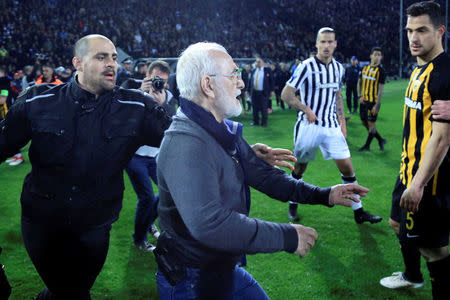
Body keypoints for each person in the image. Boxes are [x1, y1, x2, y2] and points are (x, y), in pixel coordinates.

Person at [154, 41, 370, 300]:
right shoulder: (185, 143)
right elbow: (211, 224)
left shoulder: (220, 129)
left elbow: (266, 177)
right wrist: (288, 236)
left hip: (220, 269)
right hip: (192, 280)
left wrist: (324, 195)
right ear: (208, 85)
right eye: (233, 74)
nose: (241, 83)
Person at [0, 34, 173, 299]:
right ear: (78, 63)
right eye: (101, 57)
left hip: (95, 226)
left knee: (73, 291)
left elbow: (180, 140)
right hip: (42, 223)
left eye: (114, 58)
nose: (111, 64)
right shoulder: (38, 101)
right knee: (71, 292)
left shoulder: (135, 106)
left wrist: (163, 107)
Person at [379, 2, 449, 298]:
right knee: (397, 223)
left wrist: (418, 184)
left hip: (427, 180)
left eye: (422, 30)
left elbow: (442, 138)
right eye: (409, 31)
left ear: (440, 31)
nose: (413, 38)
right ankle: (411, 275)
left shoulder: (443, 75)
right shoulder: (420, 67)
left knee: (435, 250)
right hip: (408, 169)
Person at [281, 27, 382, 224]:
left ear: (335, 44)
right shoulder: (306, 67)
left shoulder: (338, 68)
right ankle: (293, 203)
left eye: (330, 42)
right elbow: (286, 94)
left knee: (347, 169)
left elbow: (337, 96)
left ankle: (358, 211)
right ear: (317, 44)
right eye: (323, 42)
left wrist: (342, 123)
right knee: (300, 168)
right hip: (308, 126)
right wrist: (305, 109)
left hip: (331, 127)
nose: (326, 46)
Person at [126, 60, 177, 252]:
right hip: (136, 156)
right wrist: (142, 94)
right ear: (147, 77)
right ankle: (139, 238)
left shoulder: (169, 97)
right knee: (146, 197)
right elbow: (128, 118)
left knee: (169, 190)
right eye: (155, 80)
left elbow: (170, 123)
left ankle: (148, 222)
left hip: (157, 156)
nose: (159, 84)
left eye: (162, 81)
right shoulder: (135, 94)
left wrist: (162, 102)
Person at [357, 47, 387, 152]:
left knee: (371, 124)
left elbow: (380, 90)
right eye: (375, 54)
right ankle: (380, 140)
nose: (377, 57)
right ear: (371, 56)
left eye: (379, 55)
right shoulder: (364, 68)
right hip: (363, 101)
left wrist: (377, 105)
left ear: (381, 57)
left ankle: (367, 146)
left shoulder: (381, 71)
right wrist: (359, 96)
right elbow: (359, 82)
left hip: (372, 102)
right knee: (363, 122)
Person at [248, 57, 274, 127]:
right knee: (255, 108)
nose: (258, 63)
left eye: (259, 62)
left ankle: (264, 122)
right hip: (254, 92)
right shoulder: (253, 70)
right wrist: (247, 90)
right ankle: (255, 121)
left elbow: (271, 81)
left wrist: (272, 90)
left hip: (263, 92)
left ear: (262, 63)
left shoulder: (267, 70)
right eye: (257, 62)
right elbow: (250, 81)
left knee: (264, 108)